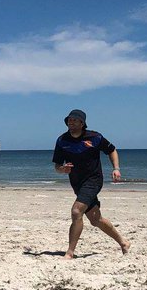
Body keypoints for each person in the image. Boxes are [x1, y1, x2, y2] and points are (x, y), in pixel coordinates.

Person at [52, 109, 130, 259]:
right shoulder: (62, 140)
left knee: (76, 211)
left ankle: (70, 252)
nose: (71, 122)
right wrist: (62, 169)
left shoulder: (94, 137)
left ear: (82, 123)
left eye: (74, 120)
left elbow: (112, 150)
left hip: (94, 180)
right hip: (77, 183)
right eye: (69, 120)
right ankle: (123, 242)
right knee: (95, 219)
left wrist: (116, 168)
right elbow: (57, 166)